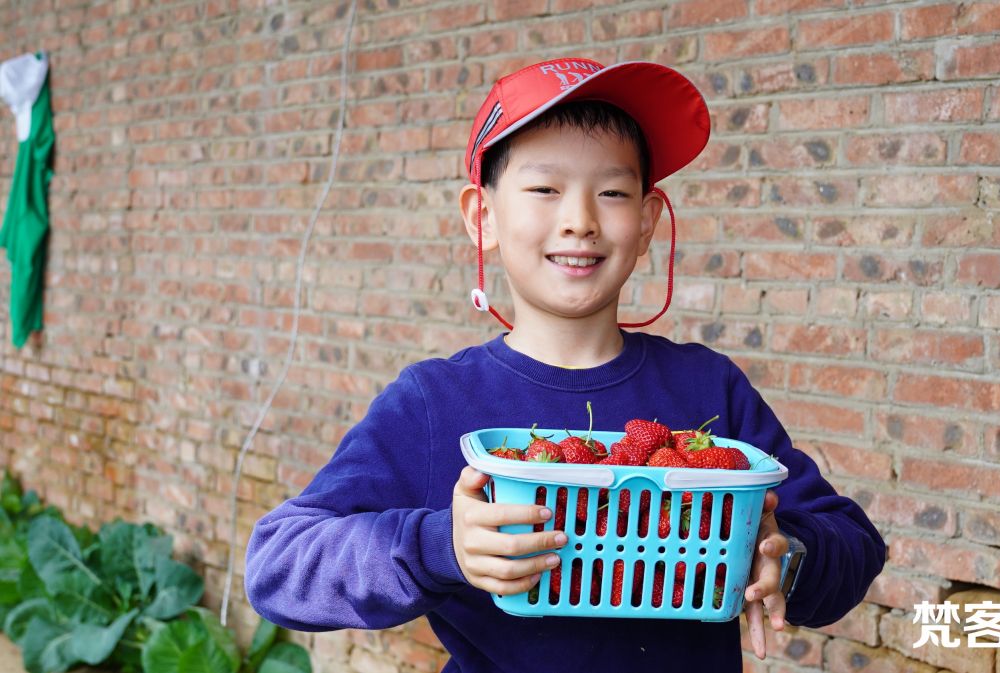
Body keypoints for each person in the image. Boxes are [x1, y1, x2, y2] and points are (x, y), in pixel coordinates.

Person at [245, 57, 886, 672]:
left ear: (647, 221)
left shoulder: (707, 388)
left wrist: (785, 555)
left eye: (612, 191)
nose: (579, 220)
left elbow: (854, 542)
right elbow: (277, 566)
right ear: (483, 216)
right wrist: (441, 546)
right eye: (545, 189)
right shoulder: (435, 403)